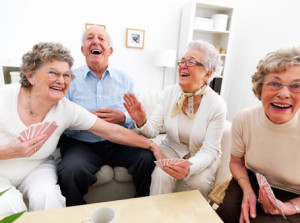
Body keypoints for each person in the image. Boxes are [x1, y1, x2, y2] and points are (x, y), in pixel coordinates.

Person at [0, 42, 164, 216]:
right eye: (53, 73)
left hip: (36, 169)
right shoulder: (4, 97)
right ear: (30, 76)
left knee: (49, 198)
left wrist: (151, 145)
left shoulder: (66, 109)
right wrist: (6, 151)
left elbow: (112, 131)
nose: (61, 81)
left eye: (66, 75)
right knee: (9, 204)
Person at [57, 26, 159, 206]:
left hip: (119, 142)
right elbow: (60, 118)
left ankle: (141, 208)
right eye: (90, 38)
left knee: (146, 159)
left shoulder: (126, 79)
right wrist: (81, 118)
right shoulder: (68, 79)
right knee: (69, 171)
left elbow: (135, 116)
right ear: (83, 49)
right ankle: (78, 214)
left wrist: (123, 118)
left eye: (101, 38)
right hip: (82, 144)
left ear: (110, 50)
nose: (95, 41)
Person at [123, 39, 227, 198]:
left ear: (208, 74)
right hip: (172, 148)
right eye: (182, 61)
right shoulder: (169, 93)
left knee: (199, 183)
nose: (183, 65)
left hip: (203, 153)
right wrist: (141, 120)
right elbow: (152, 131)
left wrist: (188, 166)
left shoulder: (217, 104)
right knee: (161, 175)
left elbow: (210, 150)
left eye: (191, 62)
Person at [216, 46, 300, 223]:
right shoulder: (245, 118)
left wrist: (289, 207)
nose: (283, 94)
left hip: (296, 195)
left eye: (296, 86)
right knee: (227, 214)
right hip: (252, 180)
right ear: (260, 88)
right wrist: (248, 190)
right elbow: (236, 162)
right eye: (274, 83)